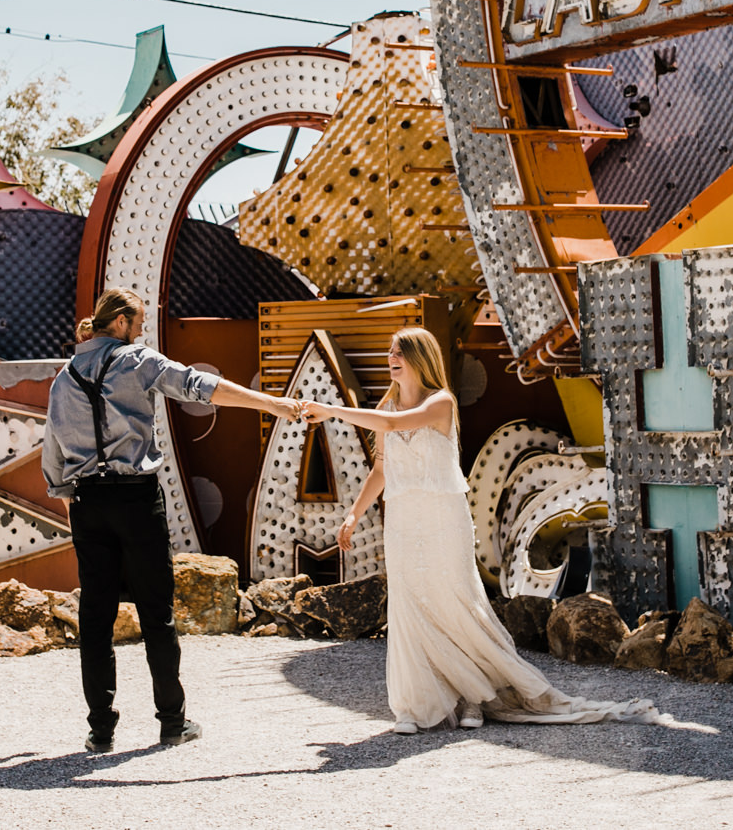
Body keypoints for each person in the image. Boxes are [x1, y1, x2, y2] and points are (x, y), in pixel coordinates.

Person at [299, 327, 662, 733]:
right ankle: (419, 706)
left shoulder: (441, 402)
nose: (391, 356)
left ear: (421, 357)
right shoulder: (387, 402)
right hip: (403, 518)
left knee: (456, 603)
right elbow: (382, 469)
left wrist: (333, 410)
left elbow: (394, 423)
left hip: (442, 516)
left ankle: (478, 697)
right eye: (390, 350)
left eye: (400, 350)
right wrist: (353, 514)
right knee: (411, 606)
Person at [44, 287, 298, 753]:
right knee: (156, 613)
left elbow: (54, 455)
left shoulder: (64, 378)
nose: (141, 329)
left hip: (87, 503)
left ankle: (101, 729)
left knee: (95, 617)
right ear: (119, 321)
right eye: (138, 320)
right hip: (137, 500)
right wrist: (273, 404)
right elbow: (201, 386)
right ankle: (172, 722)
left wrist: (76, 506)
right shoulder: (137, 361)